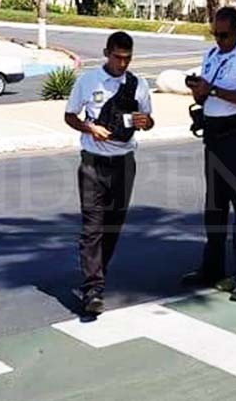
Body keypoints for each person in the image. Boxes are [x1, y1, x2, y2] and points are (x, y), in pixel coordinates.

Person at [64, 31, 154, 314]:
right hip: (93, 162)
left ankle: (97, 274)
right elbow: (70, 116)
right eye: (117, 57)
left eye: (127, 59)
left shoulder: (139, 85)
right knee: (92, 227)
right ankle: (93, 289)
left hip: (124, 162)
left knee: (113, 225)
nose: (122, 64)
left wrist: (145, 121)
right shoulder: (88, 81)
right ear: (107, 52)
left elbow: (148, 121)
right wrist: (90, 128)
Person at [184, 7, 236, 302]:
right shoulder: (212, 55)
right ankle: (212, 267)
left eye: (224, 35)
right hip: (214, 136)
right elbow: (206, 92)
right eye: (215, 34)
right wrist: (199, 91)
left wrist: (213, 91)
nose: (219, 39)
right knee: (214, 207)